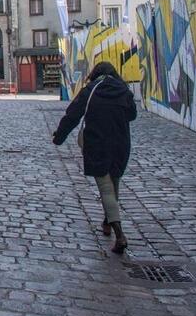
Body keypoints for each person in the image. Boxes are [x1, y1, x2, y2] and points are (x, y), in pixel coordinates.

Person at [52, 61, 137, 254]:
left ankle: (119, 233)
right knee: (114, 183)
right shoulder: (123, 89)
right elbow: (132, 115)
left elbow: (73, 115)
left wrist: (59, 137)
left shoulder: (90, 90)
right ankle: (107, 222)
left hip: (97, 143)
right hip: (121, 143)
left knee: (106, 189)